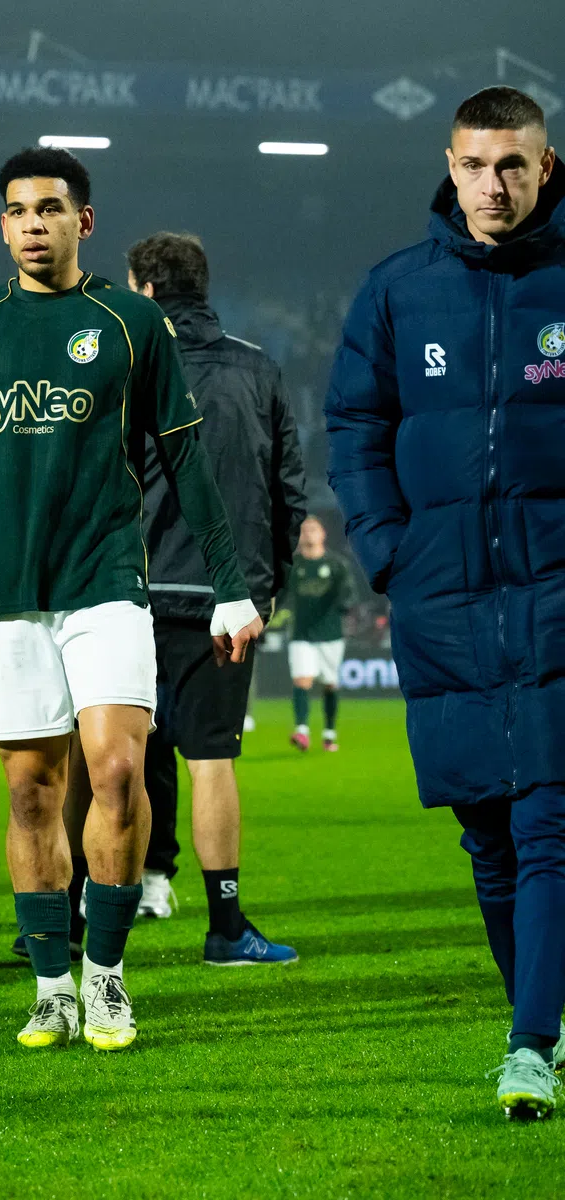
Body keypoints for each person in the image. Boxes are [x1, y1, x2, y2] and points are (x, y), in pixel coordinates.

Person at [0, 148, 263, 1053]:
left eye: (50, 209)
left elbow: (184, 455)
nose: (32, 224)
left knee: (120, 772)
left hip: (107, 581)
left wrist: (230, 581)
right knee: (30, 794)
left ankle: (107, 975)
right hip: (11, 592)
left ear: (82, 222)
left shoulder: (132, 322)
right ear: (3, 224)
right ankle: (52, 987)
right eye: (17, 210)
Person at [326, 85, 565, 1119]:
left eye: (514, 164)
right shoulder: (396, 291)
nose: (493, 185)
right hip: (443, 597)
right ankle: (540, 1033)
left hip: (555, 590)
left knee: (551, 819)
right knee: (488, 835)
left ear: (546, 167)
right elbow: (353, 424)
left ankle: (527, 1044)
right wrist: (390, 551)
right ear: (450, 162)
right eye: (475, 164)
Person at [125, 231, 306, 967]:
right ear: (201, 286)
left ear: (142, 288)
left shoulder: (128, 365)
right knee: (211, 760)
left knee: (115, 762)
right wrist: (264, 587)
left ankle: (99, 920)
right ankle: (226, 928)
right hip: (225, 599)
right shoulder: (257, 370)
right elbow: (288, 494)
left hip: (130, 593)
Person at [284, 516, 357, 754]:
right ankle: (302, 731)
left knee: (329, 684)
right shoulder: (293, 565)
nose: (308, 534)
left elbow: (349, 592)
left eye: (313, 529)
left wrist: (346, 602)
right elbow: (280, 592)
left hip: (331, 635)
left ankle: (329, 732)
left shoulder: (336, 565)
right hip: (302, 634)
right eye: (304, 530)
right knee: (302, 680)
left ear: (323, 534)